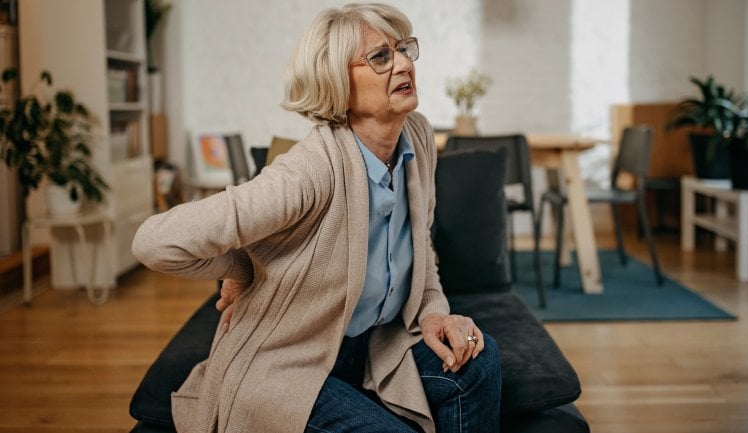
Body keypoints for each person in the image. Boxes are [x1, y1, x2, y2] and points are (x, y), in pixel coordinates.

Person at [132, 3, 501, 432]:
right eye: (380, 57)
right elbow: (153, 242)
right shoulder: (311, 170)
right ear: (336, 84)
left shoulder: (417, 136)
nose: (402, 63)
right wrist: (244, 265)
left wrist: (435, 313)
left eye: (402, 49)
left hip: (372, 348)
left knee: (479, 356)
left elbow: (422, 249)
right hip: (287, 361)